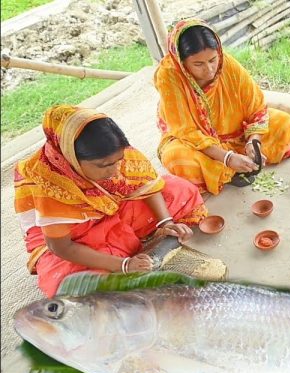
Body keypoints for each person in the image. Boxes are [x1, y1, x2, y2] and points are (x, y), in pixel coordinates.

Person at [14, 105, 208, 298]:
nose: (115, 171)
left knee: (179, 190)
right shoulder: (51, 185)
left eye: (118, 161)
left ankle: (127, 242)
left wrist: (165, 223)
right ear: (71, 158)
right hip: (76, 236)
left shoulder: (114, 152)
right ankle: (120, 252)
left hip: (115, 208)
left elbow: (146, 185)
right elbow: (62, 248)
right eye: (103, 166)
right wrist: (124, 265)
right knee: (71, 285)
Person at [154, 18, 290, 195]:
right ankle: (229, 168)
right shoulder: (168, 75)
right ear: (181, 62)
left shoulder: (226, 63)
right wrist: (227, 157)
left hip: (236, 133)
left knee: (283, 123)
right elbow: (185, 131)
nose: (209, 69)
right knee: (176, 157)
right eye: (198, 64)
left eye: (212, 60)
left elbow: (256, 106)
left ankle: (240, 161)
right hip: (195, 142)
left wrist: (253, 141)